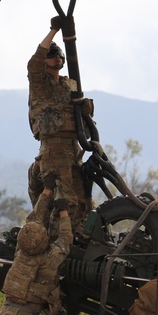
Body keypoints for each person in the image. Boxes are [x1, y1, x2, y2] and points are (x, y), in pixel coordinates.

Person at [26, 18, 94, 232]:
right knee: (64, 202)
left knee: (83, 203)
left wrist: (86, 107)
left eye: (59, 55)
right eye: (52, 55)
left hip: (74, 149)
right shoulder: (40, 84)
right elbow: (34, 63)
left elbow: (84, 108)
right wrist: (54, 30)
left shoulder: (68, 84)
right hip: (53, 150)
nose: (56, 58)